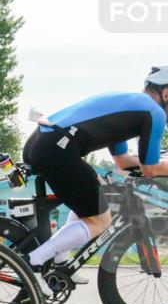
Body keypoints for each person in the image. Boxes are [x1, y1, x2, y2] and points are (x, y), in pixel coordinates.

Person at [23, 66, 168, 284]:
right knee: (100, 220)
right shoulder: (155, 113)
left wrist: (158, 162)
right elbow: (150, 170)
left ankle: (61, 259)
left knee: (98, 194)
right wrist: (159, 164)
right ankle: (32, 262)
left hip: (44, 141)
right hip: (57, 148)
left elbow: (122, 161)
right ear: (167, 94)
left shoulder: (129, 106)